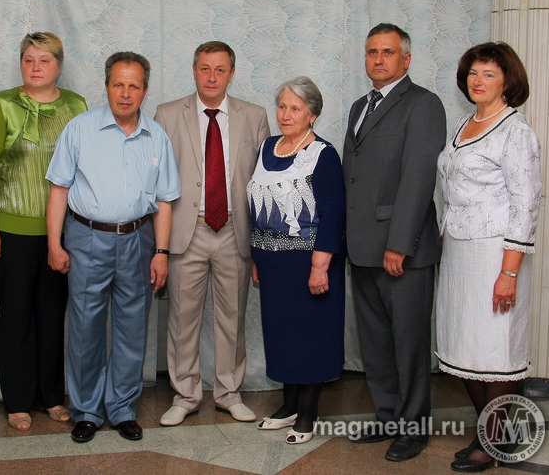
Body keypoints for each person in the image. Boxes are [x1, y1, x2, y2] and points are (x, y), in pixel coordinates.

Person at [45, 51, 180, 443]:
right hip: (86, 238)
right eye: (118, 84)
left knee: (132, 326)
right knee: (85, 326)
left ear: (145, 90)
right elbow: (58, 189)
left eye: (133, 85)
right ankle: (86, 410)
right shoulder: (80, 129)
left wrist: (162, 252)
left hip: (139, 239)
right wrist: (55, 243)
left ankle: (121, 408)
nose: (125, 93)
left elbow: (166, 200)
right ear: (106, 87)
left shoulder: (156, 136)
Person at [0, 32, 88, 431]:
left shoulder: (76, 106)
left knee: (53, 315)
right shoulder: (0, 104)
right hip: (11, 230)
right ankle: (18, 401)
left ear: (59, 64)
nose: (36, 67)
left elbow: (84, 168)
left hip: (63, 232)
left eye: (44, 60)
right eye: (28, 60)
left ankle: (51, 397)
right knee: (16, 316)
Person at [342, 23, 447, 461]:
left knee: (409, 342)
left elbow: (418, 180)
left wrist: (399, 244)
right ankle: (387, 416)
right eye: (371, 52)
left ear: (406, 59)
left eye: (387, 52)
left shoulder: (423, 104)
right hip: (361, 248)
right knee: (377, 343)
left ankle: (414, 427)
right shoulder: (358, 107)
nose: (378, 59)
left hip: (400, 250)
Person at [436, 42, 541, 472]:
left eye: (489, 75)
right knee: (466, 347)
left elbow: (526, 202)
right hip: (460, 251)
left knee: (496, 350)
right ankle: (490, 432)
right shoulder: (466, 123)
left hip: (496, 252)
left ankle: (491, 441)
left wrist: (509, 273)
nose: (478, 81)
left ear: (508, 82)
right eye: (473, 74)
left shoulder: (516, 131)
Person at [154, 41, 270, 426]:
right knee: (182, 319)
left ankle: (228, 392)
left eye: (220, 70)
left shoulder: (254, 116)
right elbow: (156, 181)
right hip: (188, 232)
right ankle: (185, 394)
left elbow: (264, 183)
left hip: (235, 231)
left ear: (232, 74)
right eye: (205, 68)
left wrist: (261, 246)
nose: (212, 76)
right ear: (193, 70)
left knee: (232, 318)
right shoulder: (168, 114)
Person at [248, 77, 345, 444]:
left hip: (309, 263)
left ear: (313, 115)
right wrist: (257, 256)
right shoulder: (267, 147)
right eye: (282, 107)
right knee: (282, 335)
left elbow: (333, 213)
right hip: (272, 265)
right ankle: (288, 406)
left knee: (310, 336)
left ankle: (308, 412)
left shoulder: (322, 154)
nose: (286, 115)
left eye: (295, 109)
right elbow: (255, 205)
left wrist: (320, 266)